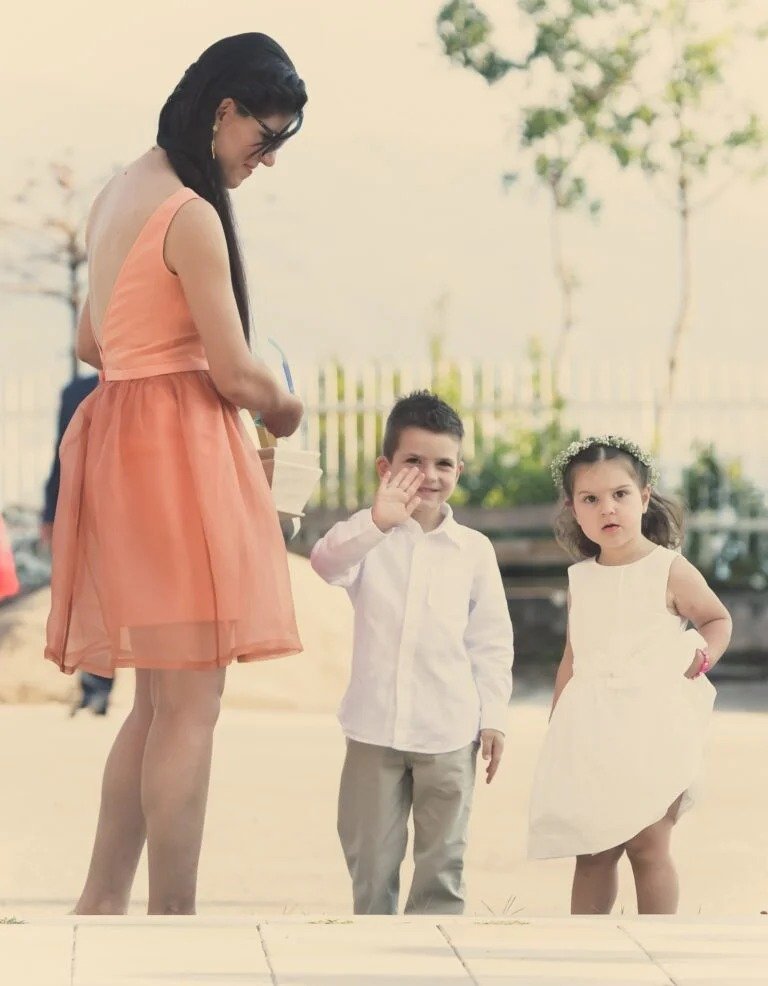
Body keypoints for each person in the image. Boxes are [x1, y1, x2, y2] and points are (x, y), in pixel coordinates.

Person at [44, 33, 307, 916]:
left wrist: (156, 350)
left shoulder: (122, 188)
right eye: (265, 138)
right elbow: (235, 375)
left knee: (156, 705)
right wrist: (286, 408)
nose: (266, 159)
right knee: (192, 707)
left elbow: (92, 341)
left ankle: (102, 903)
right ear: (224, 112)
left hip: (120, 443)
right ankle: (174, 920)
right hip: (175, 457)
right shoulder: (191, 215)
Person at [311, 391, 515, 915]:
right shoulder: (366, 537)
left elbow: (491, 641)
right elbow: (326, 564)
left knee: (442, 862)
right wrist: (377, 522)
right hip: (372, 728)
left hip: (449, 731)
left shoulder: (474, 551)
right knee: (370, 859)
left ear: (459, 470)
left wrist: (493, 716)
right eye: (414, 461)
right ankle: (373, 946)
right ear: (386, 467)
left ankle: (433, 947)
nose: (429, 475)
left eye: (443, 463)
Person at [528, 436, 732, 915]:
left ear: (643, 497)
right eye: (590, 499)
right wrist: (559, 724)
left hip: (652, 725)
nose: (608, 508)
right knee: (593, 850)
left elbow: (717, 618)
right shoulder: (581, 578)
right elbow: (573, 656)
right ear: (573, 509)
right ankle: (589, 947)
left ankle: (655, 943)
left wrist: (703, 656)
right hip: (592, 731)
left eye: (620, 494)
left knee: (648, 843)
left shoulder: (668, 569)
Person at [41, 373, 114, 715]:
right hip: (94, 509)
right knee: (96, 601)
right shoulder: (76, 392)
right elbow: (62, 454)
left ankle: (101, 688)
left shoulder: (145, 383)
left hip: (124, 507)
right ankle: (96, 688)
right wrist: (50, 512)